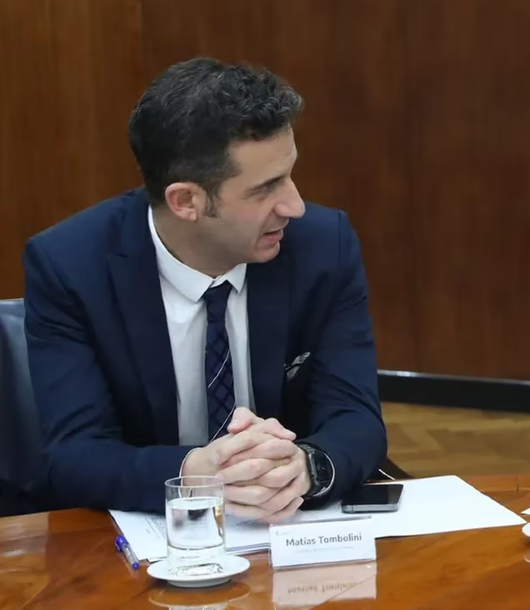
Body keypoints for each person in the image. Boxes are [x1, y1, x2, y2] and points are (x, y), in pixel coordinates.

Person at [23, 57, 388, 520]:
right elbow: (74, 455)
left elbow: (357, 417)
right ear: (187, 201)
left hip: (286, 529)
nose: (294, 206)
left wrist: (305, 466)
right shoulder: (70, 267)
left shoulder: (323, 246)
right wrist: (194, 473)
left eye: (289, 174)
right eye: (266, 188)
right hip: (139, 535)